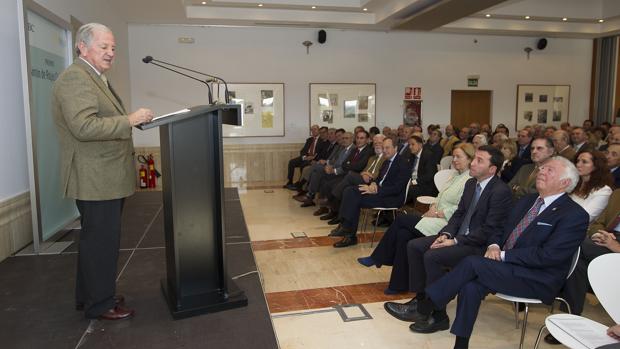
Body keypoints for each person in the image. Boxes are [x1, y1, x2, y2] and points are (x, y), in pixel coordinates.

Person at [405, 157, 589, 349]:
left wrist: (502, 255)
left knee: (471, 262)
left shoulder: (574, 215)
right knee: (470, 286)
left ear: (565, 183)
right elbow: (501, 229)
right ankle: (461, 344)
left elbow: (549, 256)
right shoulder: (527, 201)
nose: (541, 171)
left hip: (537, 277)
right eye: (543, 168)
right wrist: (493, 245)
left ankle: (427, 303)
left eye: (550, 170)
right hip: (505, 268)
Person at [52, 23, 154, 320]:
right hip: (95, 176)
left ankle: (91, 296)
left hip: (103, 175)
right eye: (104, 47)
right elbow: (84, 127)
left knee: (95, 241)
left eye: (113, 48)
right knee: (101, 242)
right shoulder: (77, 79)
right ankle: (101, 304)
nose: (110, 53)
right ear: (82, 47)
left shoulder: (93, 77)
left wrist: (129, 120)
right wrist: (129, 120)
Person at [383, 145, 512, 318]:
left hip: (477, 244)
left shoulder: (500, 191)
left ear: (492, 169)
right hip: (458, 236)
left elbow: (489, 229)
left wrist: (456, 241)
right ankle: (420, 301)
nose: (472, 163)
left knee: (432, 255)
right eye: (474, 158)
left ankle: (437, 314)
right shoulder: (471, 183)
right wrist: (447, 234)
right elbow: (458, 215)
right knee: (414, 246)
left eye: (479, 160)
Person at [358, 143, 475, 294]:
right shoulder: (455, 176)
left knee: (401, 220)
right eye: (454, 156)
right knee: (402, 235)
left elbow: (462, 208)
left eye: (459, 157)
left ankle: (378, 257)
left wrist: (439, 212)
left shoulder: (469, 180)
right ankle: (397, 285)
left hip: (447, 224)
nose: (454, 160)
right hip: (435, 217)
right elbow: (440, 196)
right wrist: (433, 206)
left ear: (470, 159)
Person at [544, 189, 620, 345]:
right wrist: (599, 234)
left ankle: (541, 285)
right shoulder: (618, 193)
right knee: (578, 262)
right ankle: (572, 317)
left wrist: (616, 247)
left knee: (575, 244)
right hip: (606, 240)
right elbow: (599, 222)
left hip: (615, 248)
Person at [329, 138, 411, 247]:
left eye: (387, 148)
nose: (385, 150)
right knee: (350, 190)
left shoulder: (403, 163)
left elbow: (397, 188)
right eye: (383, 148)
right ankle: (346, 228)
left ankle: (348, 232)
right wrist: (373, 184)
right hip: (379, 192)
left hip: (391, 198)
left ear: (395, 148)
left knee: (354, 197)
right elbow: (379, 179)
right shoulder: (386, 161)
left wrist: (376, 190)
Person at [570, 151, 613, 222]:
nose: (578, 164)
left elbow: (585, 217)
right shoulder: (573, 182)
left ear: (596, 166)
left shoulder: (604, 191)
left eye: (584, 162)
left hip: (578, 229)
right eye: (577, 161)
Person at [284, 124, 326, 190]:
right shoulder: (309, 140)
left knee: (303, 166)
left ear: (319, 130)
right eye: (312, 130)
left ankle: (300, 184)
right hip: (306, 157)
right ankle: (290, 182)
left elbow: (321, 153)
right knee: (291, 162)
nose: (313, 131)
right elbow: (303, 150)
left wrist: (312, 158)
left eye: (315, 129)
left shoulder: (322, 140)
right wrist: (304, 157)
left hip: (313, 159)